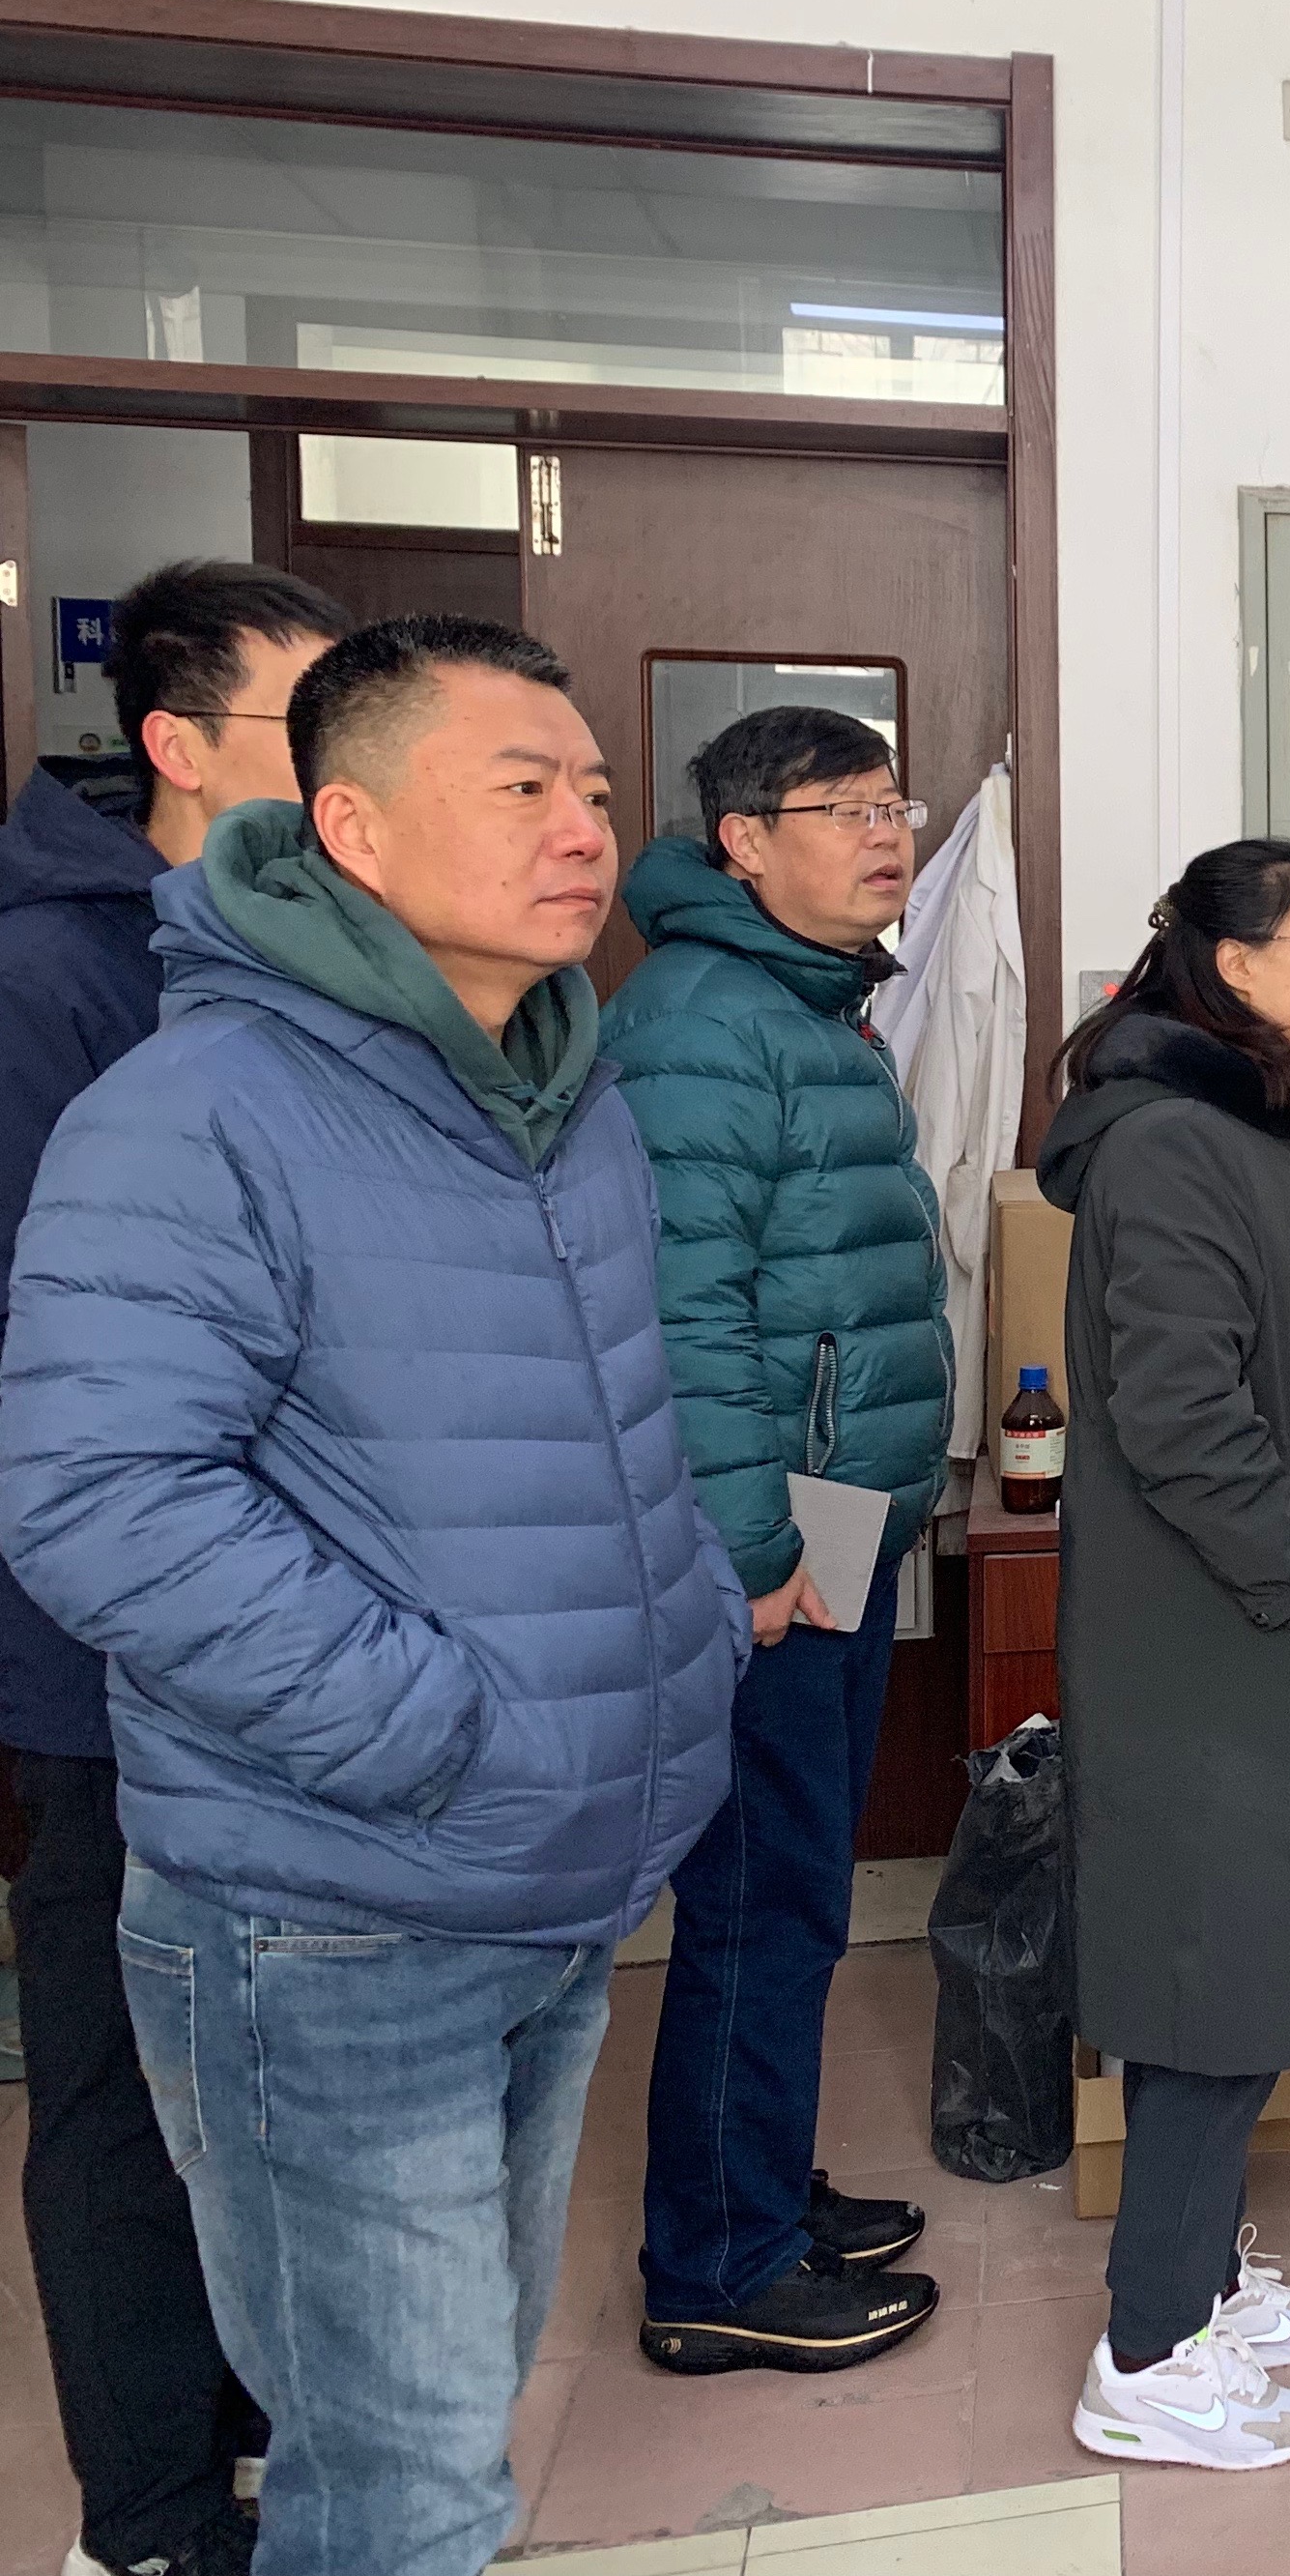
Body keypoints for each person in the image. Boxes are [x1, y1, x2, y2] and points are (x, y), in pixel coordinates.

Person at [0, 615, 747, 2576]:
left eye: (595, 788)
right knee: (399, 2488)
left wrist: (670, 1660)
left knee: (439, 2420)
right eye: (522, 787)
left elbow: (612, 1428)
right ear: (348, 825)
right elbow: (97, 1499)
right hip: (333, 1907)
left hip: (549, 1875)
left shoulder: (564, 1093)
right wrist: (437, 1730)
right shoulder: (201, 1108)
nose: (584, 828)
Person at [0, 560, 349, 2576]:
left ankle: (252, 2430)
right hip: (107, 1649)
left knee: (256, 2064)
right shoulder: (52, 978)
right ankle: (142, 2522)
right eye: (310, 727)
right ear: (177, 744)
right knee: (124, 2090)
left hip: (283, 1627)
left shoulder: (297, 956)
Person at [604, 706, 951, 2374]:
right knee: (759, 1892)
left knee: (797, 1882)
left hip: (837, 1511)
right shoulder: (703, 1019)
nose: (888, 836)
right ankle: (718, 2266)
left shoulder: (802, 1001)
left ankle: (758, 2189)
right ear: (743, 840)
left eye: (896, 805)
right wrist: (747, 1554)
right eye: (847, 809)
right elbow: (680, 1322)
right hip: (780, 1532)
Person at [1039, 841, 1290, 2473]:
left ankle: (1204, 2276)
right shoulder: (1177, 1146)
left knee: (1238, 1952)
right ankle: (1150, 2352)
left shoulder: (1252, 1128)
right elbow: (1181, 1411)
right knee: (1210, 1976)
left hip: (1249, 1620)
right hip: (1213, 1627)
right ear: (1234, 966)